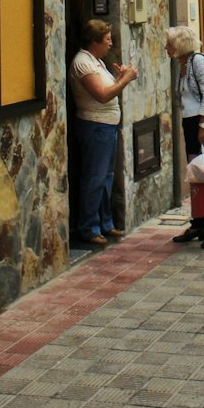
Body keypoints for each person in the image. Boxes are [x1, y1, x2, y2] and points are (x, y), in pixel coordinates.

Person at [68, 19, 137, 247]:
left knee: (106, 178)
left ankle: (105, 223)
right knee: (94, 178)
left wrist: (118, 78)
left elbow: (108, 89)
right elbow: (103, 95)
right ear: (94, 41)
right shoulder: (83, 64)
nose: (111, 43)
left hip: (106, 126)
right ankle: (88, 227)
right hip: (94, 127)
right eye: (107, 39)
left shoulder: (97, 61)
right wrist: (125, 80)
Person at [165, 25, 204, 249]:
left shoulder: (198, 62)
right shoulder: (182, 64)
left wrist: (202, 125)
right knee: (196, 174)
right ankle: (197, 224)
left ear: (180, 44)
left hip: (203, 124)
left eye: (169, 43)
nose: (166, 47)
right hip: (190, 122)